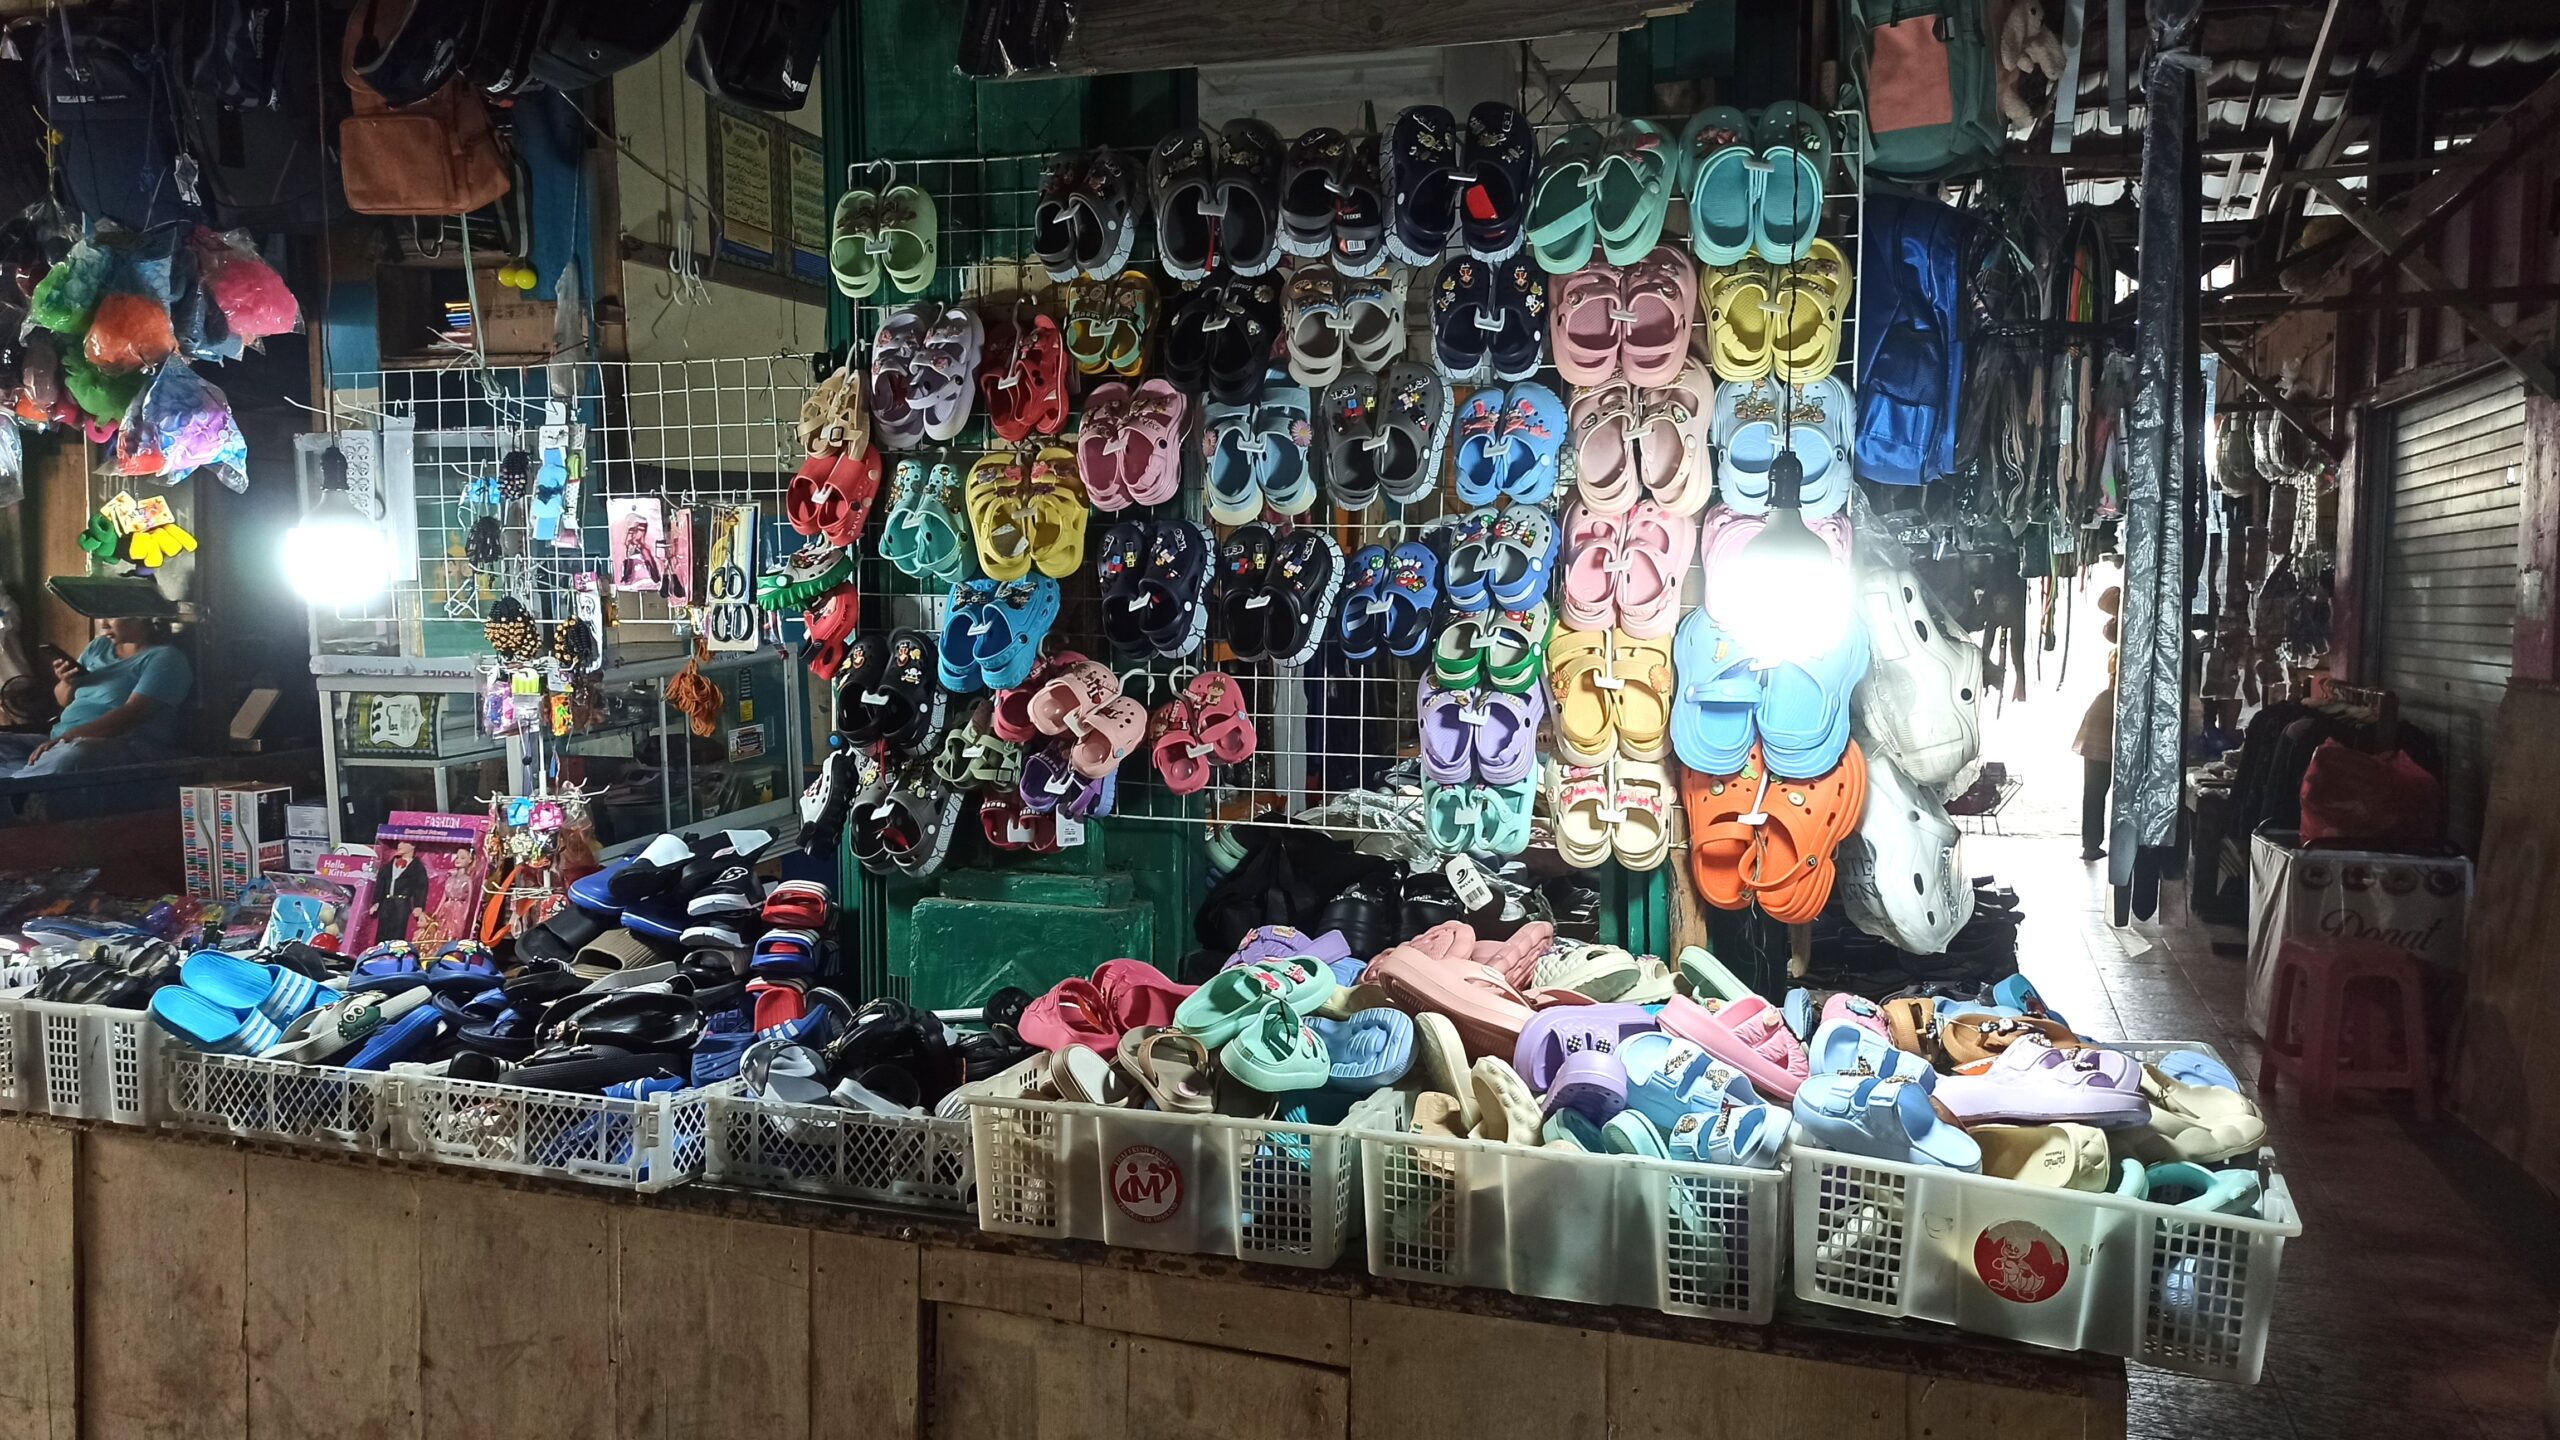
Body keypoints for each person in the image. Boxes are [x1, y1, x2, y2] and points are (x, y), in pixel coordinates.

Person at [0, 617, 193, 777]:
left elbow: (131, 715)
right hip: (59, 740)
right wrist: (66, 681)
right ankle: (23, 778)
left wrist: (67, 738)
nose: (103, 624)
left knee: (73, 755)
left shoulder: (166, 658)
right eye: (101, 616)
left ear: (141, 617)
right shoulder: (99, 646)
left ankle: (17, 784)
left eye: (112, 616)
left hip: (120, 744)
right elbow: (64, 701)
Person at [373, 840, 427, 943]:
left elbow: (421, 887)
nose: (399, 845)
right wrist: (376, 902)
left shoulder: (417, 867)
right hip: (386, 902)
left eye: (404, 843)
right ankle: (380, 949)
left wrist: (418, 905)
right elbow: (380, 884)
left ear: (413, 846)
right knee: (382, 929)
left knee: (398, 930)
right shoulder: (388, 866)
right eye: (399, 842)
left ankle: (396, 949)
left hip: (402, 903)